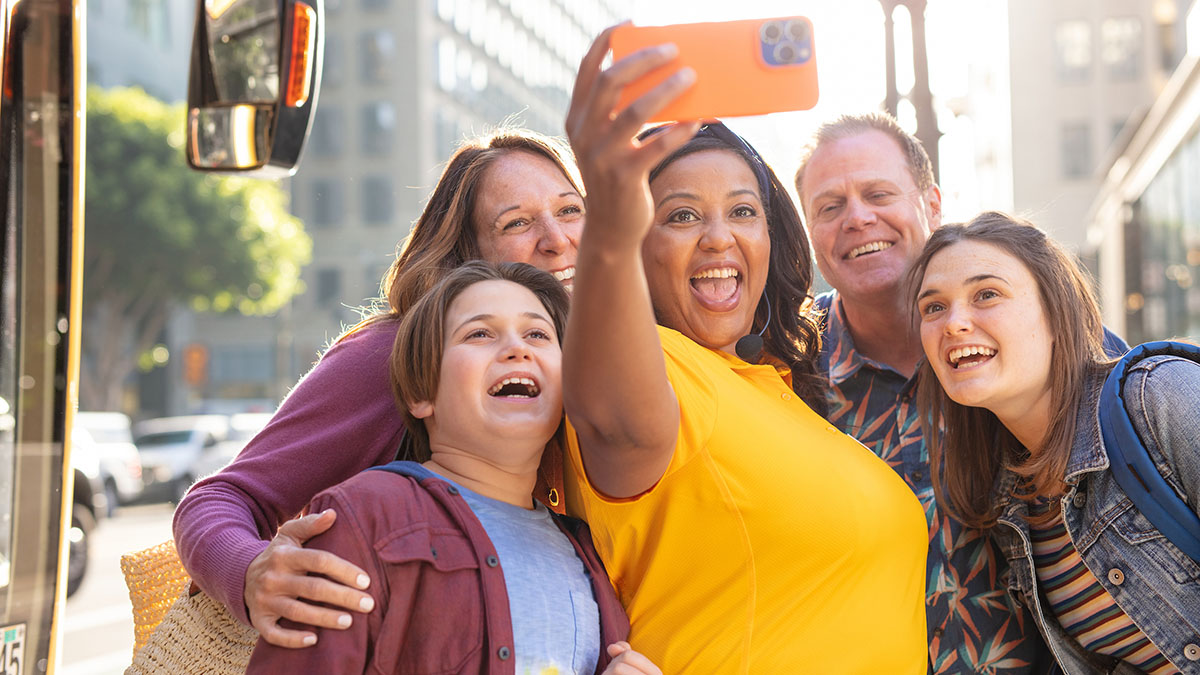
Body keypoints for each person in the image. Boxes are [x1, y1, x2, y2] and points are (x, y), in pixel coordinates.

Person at [560, 30, 928, 672]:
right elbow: (616, 419)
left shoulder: (779, 383)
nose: (718, 238)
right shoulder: (659, 375)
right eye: (679, 216)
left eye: (742, 211)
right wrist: (610, 226)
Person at [173, 128, 587, 647]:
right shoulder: (393, 357)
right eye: (518, 223)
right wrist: (252, 572)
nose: (557, 239)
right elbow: (219, 498)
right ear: (469, 255)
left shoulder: (610, 354)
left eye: (570, 210)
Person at [794, 112, 1132, 673]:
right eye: (830, 206)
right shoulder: (785, 373)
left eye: (878, 193)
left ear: (931, 204)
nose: (857, 217)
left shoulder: (1036, 341)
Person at [247, 261, 661, 675]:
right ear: (420, 393)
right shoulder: (363, 517)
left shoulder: (587, 555)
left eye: (537, 333)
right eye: (479, 333)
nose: (518, 349)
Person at [910, 211, 1200, 675]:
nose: (955, 323)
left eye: (987, 294)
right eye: (934, 307)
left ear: (1055, 312)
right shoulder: (1007, 502)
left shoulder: (1159, 396)